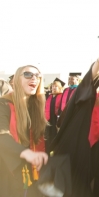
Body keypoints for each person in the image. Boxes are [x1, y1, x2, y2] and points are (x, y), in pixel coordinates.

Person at [50, 47, 99, 197]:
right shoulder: (87, 91)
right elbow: (89, 80)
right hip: (78, 143)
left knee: (92, 186)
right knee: (73, 184)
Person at [0, 66, 48, 196]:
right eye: (27, 74)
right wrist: (26, 153)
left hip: (30, 170)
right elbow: (1, 136)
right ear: (16, 80)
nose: (34, 78)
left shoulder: (35, 107)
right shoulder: (3, 104)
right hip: (7, 170)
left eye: (37, 75)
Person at [44, 77, 65, 152]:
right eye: (53, 86)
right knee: (48, 135)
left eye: (56, 86)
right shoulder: (49, 97)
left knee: (55, 135)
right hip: (49, 119)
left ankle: (56, 150)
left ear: (60, 88)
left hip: (57, 119)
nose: (54, 88)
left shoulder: (62, 96)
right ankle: (48, 150)